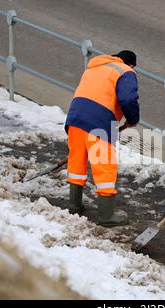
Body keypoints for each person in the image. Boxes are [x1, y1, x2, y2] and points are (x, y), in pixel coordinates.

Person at [65, 50, 140, 227]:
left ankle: (74, 206)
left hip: (75, 118)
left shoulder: (94, 66)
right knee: (104, 166)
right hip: (99, 122)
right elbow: (128, 99)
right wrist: (132, 119)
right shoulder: (125, 71)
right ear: (131, 64)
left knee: (77, 161)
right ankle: (106, 216)